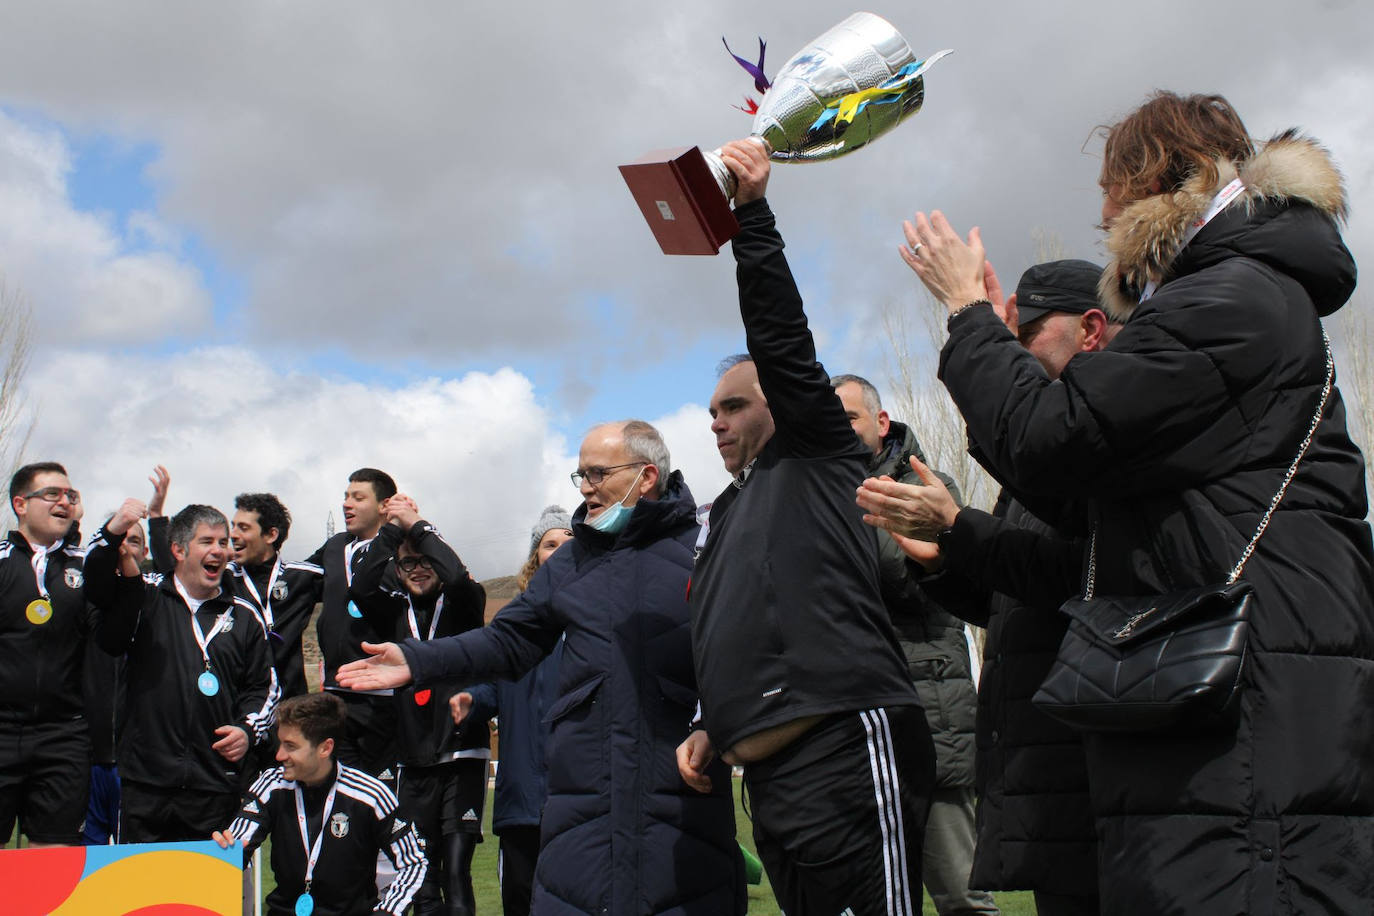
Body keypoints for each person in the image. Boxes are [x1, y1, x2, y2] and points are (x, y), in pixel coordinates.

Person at [894, 91, 1374, 914]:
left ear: (1156, 180)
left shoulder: (1232, 298)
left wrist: (967, 312)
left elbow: (1054, 436)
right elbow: (1083, 527)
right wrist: (961, 532)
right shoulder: (1234, 295)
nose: (1104, 218)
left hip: (1246, 734)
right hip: (1225, 720)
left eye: (1110, 195)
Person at [339, 420, 746, 916]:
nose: (586, 487)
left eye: (598, 472)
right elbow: (507, 641)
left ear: (645, 477)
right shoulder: (570, 562)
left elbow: (743, 653)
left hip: (682, 803)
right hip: (582, 808)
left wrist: (711, 724)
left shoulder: (704, 550)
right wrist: (418, 658)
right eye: (580, 475)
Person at [679, 138, 933, 916]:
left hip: (846, 751)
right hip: (771, 782)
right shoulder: (726, 513)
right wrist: (711, 725)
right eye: (712, 410)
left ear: (782, 405)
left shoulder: (818, 454)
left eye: (735, 405)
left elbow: (781, 341)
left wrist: (751, 215)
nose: (717, 422)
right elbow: (739, 627)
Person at [858, 260, 1120, 915]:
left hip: (1101, 764)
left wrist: (955, 525)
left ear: (1091, 329)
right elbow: (1015, 596)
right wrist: (941, 557)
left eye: (1025, 331)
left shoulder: (1105, 441)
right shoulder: (1043, 461)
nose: (1013, 350)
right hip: (1050, 766)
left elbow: (1080, 577)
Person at [831, 374, 994, 916]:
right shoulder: (821, 489)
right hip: (855, 732)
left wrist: (841, 510)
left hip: (929, 724)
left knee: (962, 899)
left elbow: (905, 580)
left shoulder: (927, 486)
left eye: (849, 416)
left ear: (881, 423)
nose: (838, 428)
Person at [86, 500, 279, 842]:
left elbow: (265, 688)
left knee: (205, 895)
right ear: (177, 549)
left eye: (223, 543)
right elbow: (97, 580)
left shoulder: (245, 616)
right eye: (207, 542)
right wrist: (113, 532)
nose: (219, 551)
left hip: (214, 783)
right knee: (140, 891)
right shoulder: (144, 596)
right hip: (145, 783)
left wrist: (247, 731)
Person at [349, 493, 488, 916]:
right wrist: (393, 531)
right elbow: (360, 584)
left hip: (462, 752)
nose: (418, 568)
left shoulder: (465, 602)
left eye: (426, 560)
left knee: (456, 872)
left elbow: (458, 578)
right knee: (421, 875)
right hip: (411, 759)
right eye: (408, 562)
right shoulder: (392, 609)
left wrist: (418, 525)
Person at [450, 506, 572, 916]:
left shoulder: (593, 617)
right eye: (550, 544)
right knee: (520, 901)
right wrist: (474, 699)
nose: (559, 551)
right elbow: (494, 682)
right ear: (534, 556)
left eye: (569, 543)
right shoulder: (512, 620)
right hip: (521, 797)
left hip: (578, 795)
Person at [215, 692, 427, 916]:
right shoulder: (271, 784)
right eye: (279, 743)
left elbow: (414, 862)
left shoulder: (371, 796)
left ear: (325, 748)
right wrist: (227, 850)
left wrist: (388, 911)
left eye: (290, 746)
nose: (279, 755)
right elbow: (240, 838)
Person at [0, 462, 91, 847]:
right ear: (20, 503)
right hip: (1, 730)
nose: (64, 502)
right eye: (52, 494)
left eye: (70, 496)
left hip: (63, 735)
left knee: (53, 868)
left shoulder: (85, 566)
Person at [309, 468, 399, 778]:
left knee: (384, 800)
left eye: (358, 498)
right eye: (346, 497)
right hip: (337, 692)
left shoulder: (403, 550)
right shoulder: (334, 547)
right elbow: (296, 580)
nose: (347, 504)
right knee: (342, 801)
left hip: (384, 695)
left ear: (384, 505)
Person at [82, 512, 148, 845]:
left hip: (135, 764)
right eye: (119, 540)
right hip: (85, 761)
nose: (125, 549)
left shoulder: (157, 604)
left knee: (130, 870)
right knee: (79, 866)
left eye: (134, 540)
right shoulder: (83, 601)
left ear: (146, 550)